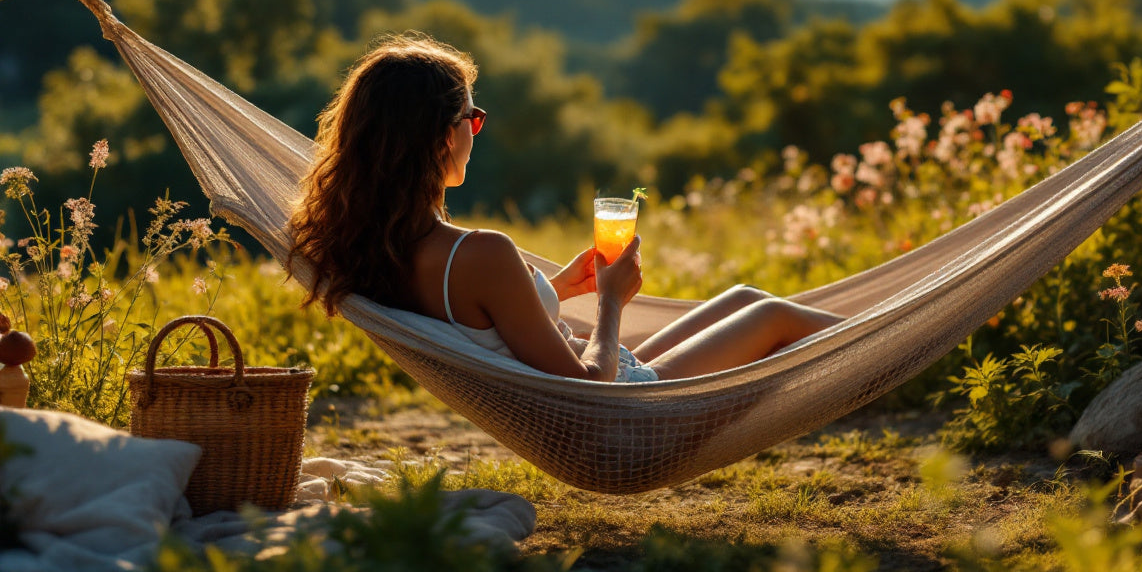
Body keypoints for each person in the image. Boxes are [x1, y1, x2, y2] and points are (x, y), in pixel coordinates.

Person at [289, 35, 841, 382]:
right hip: (620, 417)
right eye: (472, 118)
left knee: (744, 298)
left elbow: (483, 317)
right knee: (771, 315)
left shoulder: (378, 245)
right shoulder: (482, 253)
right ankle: (902, 351)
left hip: (595, 389)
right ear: (440, 139)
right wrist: (609, 300)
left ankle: (897, 343)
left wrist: (560, 288)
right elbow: (590, 385)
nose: (476, 131)